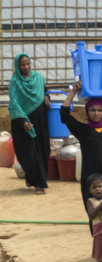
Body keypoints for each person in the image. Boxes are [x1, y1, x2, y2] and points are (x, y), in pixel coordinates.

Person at [61, 79, 102, 209]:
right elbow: (64, 115)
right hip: (91, 175)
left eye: (100, 110)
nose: (96, 113)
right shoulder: (83, 131)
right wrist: (73, 92)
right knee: (93, 208)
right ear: (87, 112)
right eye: (92, 110)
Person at [8, 53, 49, 194]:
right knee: (29, 154)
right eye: (23, 65)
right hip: (24, 122)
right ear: (18, 67)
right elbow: (14, 103)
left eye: (28, 63)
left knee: (42, 151)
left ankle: (40, 181)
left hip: (40, 120)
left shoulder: (38, 78)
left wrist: (47, 97)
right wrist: (23, 122)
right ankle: (37, 181)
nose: (26, 67)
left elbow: (45, 90)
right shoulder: (15, 82)